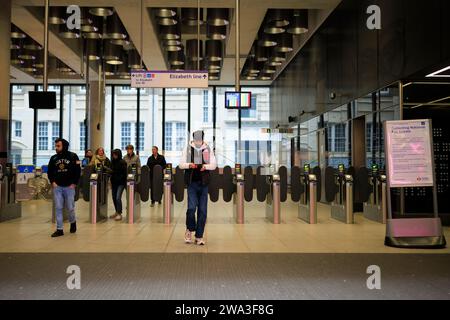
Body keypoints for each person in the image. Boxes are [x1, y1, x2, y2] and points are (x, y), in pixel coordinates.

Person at [179, 130, 217, 245]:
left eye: (200, 140)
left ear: (202, 140)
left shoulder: (207, 149)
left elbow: (214, 165)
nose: (198, 142)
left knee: (202, 211)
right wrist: (189, 165)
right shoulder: (188, 149)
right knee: (191, 208)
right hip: (192, 184)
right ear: (193, 139)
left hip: (204, 184)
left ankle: (199, 236)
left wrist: (205, 167)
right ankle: (189, 230)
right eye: (196, 140)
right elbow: (181, 164)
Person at [47, 138, 81, 238]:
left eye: (58, 146)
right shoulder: (53, 158)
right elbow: (49, 171)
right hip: (57, 187)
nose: (56, 148)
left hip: (69, 186)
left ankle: (73, 222)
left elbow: (78, 171)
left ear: (64, 146)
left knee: (70, 208)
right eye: (56, 146)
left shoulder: (73, 156)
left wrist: (74, 183)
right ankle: (59, 229)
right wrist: (52, 182)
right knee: (58, 207)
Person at [109, 149, 128, 221]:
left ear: (118, 154)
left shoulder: (123, 162)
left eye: (115, 154)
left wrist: (119, 178)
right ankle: (116, 211)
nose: (114, 156)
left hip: (121, 183)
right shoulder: (112, 162)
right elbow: (111, 171)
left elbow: (124, 173)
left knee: (118, 197)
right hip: (114, 182)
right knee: (114, 197)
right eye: (113, 154)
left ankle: (119, 213)